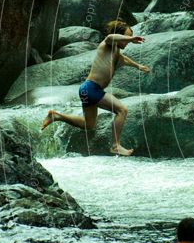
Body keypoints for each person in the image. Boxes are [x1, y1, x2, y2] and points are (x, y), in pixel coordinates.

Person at [40, 20, 150, 156]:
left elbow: (124, 59)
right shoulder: (107, 44)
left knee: (89, 125)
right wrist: (132, 38)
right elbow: (110, 37)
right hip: (92, 88)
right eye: (125, 38)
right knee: (122, 110)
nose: (127, 42)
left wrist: (138, 66)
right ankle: (116, 145)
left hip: (87, 90)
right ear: (119, 35)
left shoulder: (115, 51)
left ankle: (56, 116)